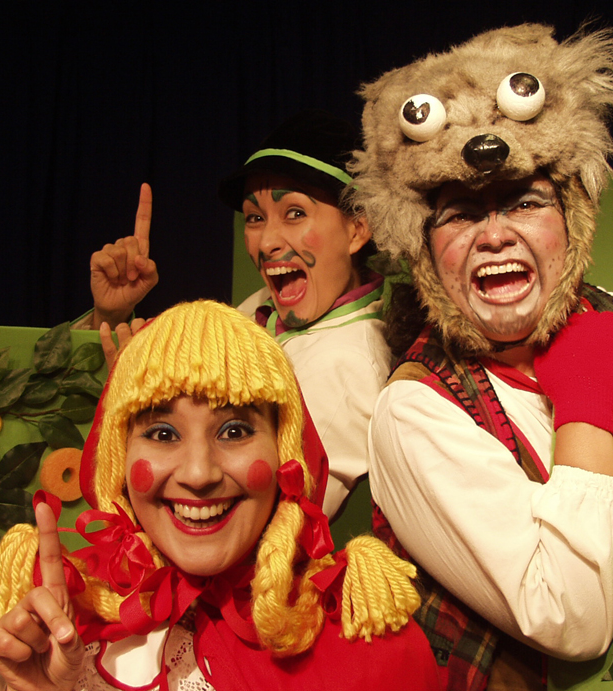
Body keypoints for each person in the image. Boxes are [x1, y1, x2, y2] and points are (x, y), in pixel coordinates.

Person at [348, 24, 613, 690]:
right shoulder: (415, 410)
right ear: (426, 250)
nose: (495, 235)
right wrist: (583, 396)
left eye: (525, 202)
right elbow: (574, 617)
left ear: (572, 223)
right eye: (461, 214)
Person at [0, 300, 439, 691]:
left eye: (234, 431)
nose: (198, 474)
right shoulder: (70, 624)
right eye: (162, 433)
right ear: (118, 459)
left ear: (286, 453)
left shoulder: (371, 645)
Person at [84, 111, 391, 517]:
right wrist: (113, 312)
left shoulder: (346, 365)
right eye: (255, 218)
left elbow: (281, 523)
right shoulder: (260, 311)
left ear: (357, 229)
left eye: (295, 213)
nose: (266, 243)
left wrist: (134, 410)